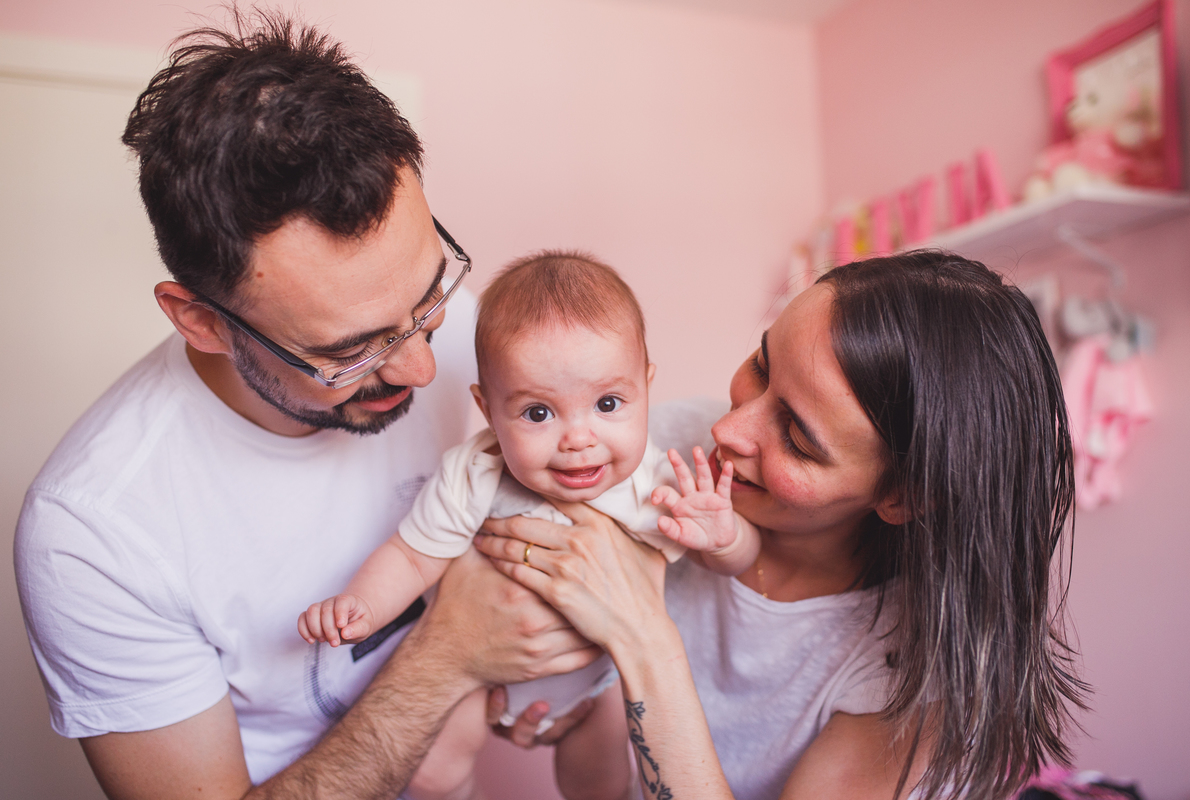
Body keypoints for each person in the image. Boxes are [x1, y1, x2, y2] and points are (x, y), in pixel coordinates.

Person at [14, 12, 600, 799]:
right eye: (349, 351)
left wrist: (548, 666)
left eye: (429, 299)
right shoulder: (94, 535)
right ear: (203, 323)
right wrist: (452, 657)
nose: (424, 366)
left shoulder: (461, 332)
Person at [477, 251, 1088, 800]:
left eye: (796, 438)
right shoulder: (663, 448)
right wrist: (560, 698)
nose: (726, 431)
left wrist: (642, 640)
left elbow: (628, 629)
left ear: (902, 496)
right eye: (761, 367)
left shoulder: (910, 687)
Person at [299, 251, 760, 800]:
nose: (578, 439)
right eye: (538, 413)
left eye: (608, 403)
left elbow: (735, 562)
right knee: (432, 772)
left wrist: (726, 538)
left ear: (646, 386)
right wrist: (362, 606)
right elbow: (412, 556)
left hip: (596, 681)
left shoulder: (656, 481)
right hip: (479, 672)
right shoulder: (475, 472)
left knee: (603, 781)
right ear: (489, 410)